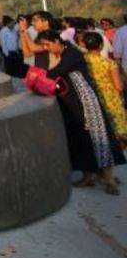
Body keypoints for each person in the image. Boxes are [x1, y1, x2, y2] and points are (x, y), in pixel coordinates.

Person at [34, 30, 123, 195]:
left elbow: (57, 72)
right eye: (44, 46)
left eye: (47, 44)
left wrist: (37, 77)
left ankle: (109, 180)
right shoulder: (64, 53)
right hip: (74, 103)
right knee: (82, 140)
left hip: (87, 101)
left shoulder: (71, 54)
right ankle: (89, 176)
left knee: (100, 138)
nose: (46, 48)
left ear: (57, 41)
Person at [80, 31, 127, 149]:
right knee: (118, 126)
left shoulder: (82, 62)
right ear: (101, 45)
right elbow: (119, 86)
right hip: (111, 99)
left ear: (85, 45)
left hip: (93, 98)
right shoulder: (109, 63)